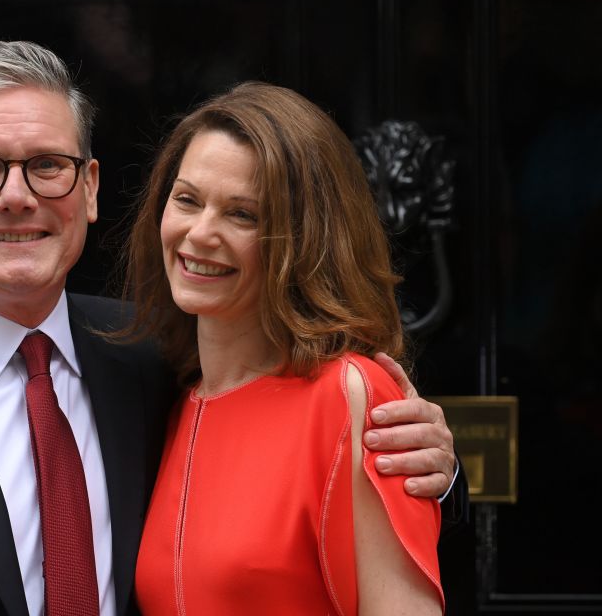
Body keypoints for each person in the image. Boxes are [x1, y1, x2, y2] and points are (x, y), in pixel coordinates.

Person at [0, 42, 460, 615]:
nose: (17, 196)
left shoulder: (156, 360)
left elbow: (303, 475)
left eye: (47, 166)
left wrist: (435, 471)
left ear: (91, 188)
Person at [124, 82, 446, 614]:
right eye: (187, 200)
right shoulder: (168, 397)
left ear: (305, 238)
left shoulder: (348, 396)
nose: (200, 233)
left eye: (243, 214)